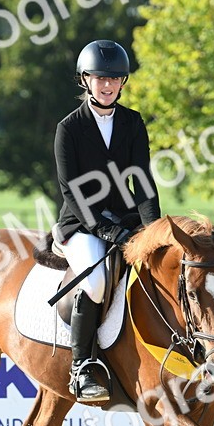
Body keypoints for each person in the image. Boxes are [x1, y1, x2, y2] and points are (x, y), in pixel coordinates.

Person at [53, 39, 160, 402]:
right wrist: (106, 229)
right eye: (100, 78)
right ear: (85, 79)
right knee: (97, 282)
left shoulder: (132, 122)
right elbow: (71, 190)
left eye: (115, 78)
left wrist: (153, 229)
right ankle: (81, 367)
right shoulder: (69, 128)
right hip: (82, 223)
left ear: (123, 82)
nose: (108, 85)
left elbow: (142, 181)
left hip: (125, 218)